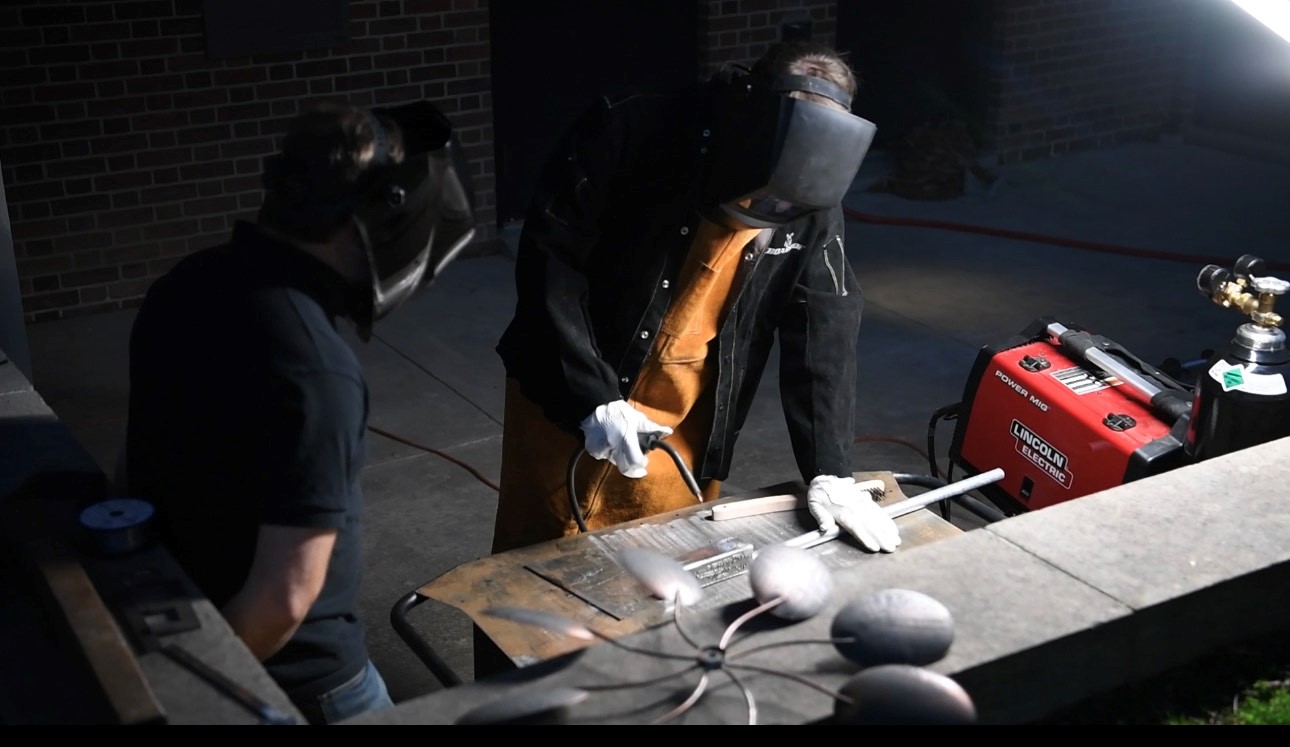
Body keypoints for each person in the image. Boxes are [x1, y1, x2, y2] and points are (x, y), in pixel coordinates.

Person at [122, 99, 474, 724]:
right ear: (373, 219)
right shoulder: (316, 370)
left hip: (185, 601)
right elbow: (284, 599)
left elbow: (139, 464)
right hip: (307, 677)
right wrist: (191, 697)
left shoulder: (186, 283)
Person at [490, 41, 901, 556]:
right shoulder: (629, 130)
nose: (767, 212)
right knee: (541, 560)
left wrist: (831, 470)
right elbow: (551, 265)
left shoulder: (815, 194)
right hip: (569, 379)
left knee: (666, 561)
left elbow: (824, 324)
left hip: (688, 410)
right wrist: (592, 398)